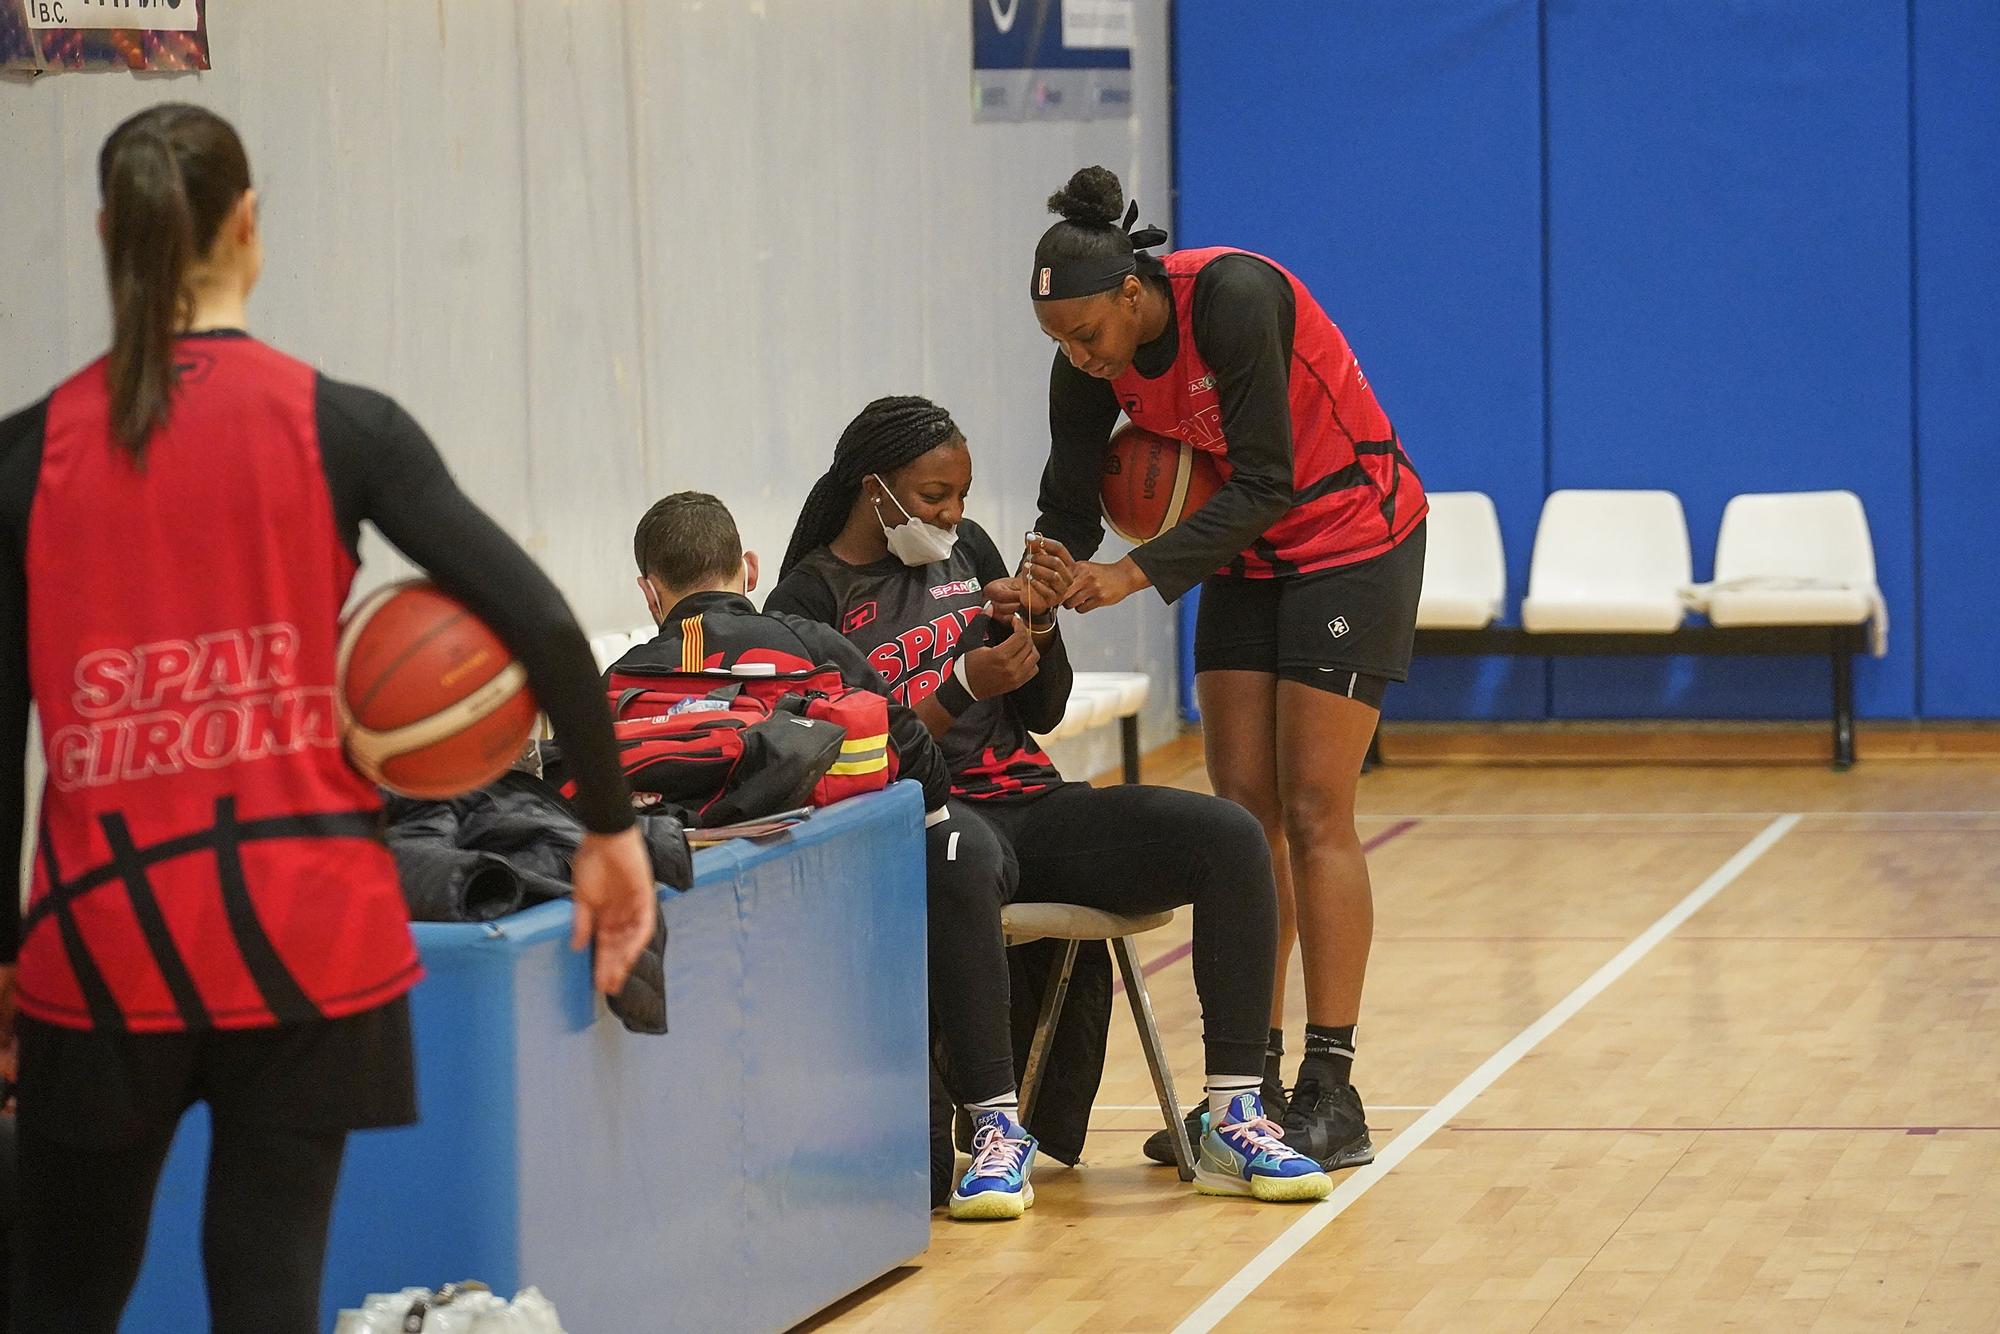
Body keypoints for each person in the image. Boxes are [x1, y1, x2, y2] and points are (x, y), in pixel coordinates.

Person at [0, 104, 655, 1333]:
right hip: (300, 931)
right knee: (268, 1291)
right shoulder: (340, 424)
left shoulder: (26, 454)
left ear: (106, 233)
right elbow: (549, 629)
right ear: (250, 228)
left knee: (58, 1302)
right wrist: (612, 831)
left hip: (103, 935)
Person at [767, 395, 1333, 1208]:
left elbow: (1043, 712)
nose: (954, 512)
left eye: (962, 494)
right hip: (921, 817)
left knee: (1230, 834)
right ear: (874, 490)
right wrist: (960, 687)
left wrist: (1039, 624)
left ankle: (1232, 1115)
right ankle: (999, 1128)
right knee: (961, 853)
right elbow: (845, 760)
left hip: (1028, 801)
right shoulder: (806, 603)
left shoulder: (965, 552)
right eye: (934, 497)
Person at [1026, 166, 1428, 1173]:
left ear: (1132, 292)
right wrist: (1036, 576)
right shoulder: (1081, 363)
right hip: (1241, 551)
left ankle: (1330, 1088)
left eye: (1088, 334)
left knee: (1311, 805)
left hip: (1349, 530)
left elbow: (1265, 478)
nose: (1078, 357)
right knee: (1238, 820)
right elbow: (1070, 502)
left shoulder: (1234, 298)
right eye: (1059, 343)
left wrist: (1129, 575)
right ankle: (1246, 1093)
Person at [614, 490, 1032, 1221]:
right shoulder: (809, 645)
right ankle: (997, 1120)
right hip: (838, 969)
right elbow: (917, 754)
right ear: (747, 568)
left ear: (649, 593)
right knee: (956, 846)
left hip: (700, 982)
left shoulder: (618, 686)